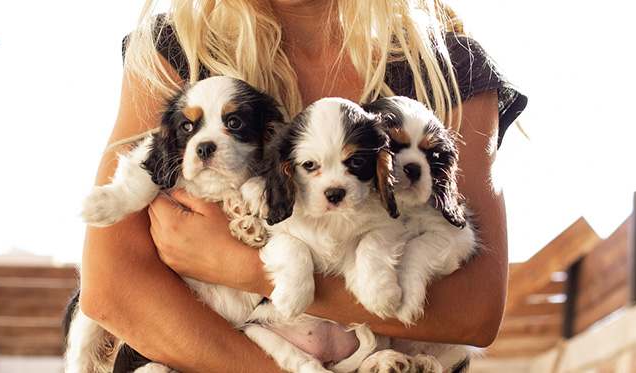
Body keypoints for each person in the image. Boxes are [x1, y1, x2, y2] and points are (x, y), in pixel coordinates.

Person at [79, 0, 527, 371]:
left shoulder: (449, 67)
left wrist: (237, 265)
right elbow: (112, 289)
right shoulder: (174, 47)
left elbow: (474, 315)